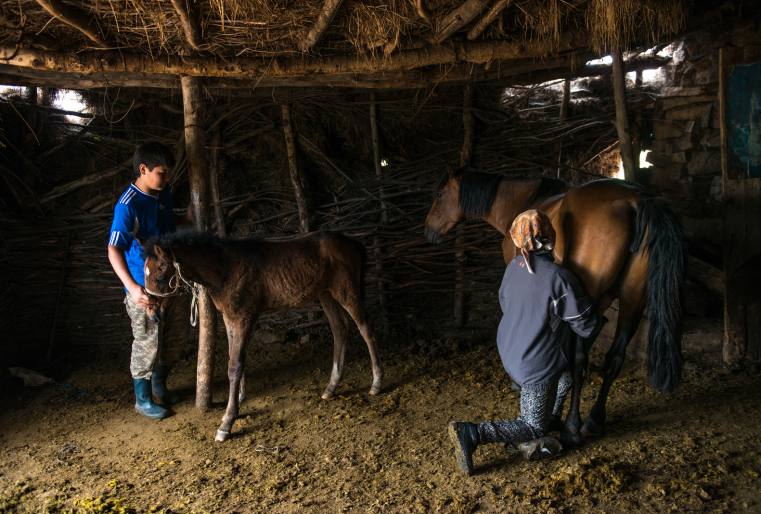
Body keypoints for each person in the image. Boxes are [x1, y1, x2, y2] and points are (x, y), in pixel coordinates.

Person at [448, 209, 602, 476]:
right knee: (532, 426)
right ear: (550, 237)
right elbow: (585, 327)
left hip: (508, 349)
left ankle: (550, 414)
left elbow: (506, 303)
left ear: (518, 239)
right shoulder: (559, 278)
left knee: (565, 378)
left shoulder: (512, 268)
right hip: (534, 364)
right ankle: (473, 433)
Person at [107, 142, 192, 420]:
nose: (167, 179)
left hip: (172, 281)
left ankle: (160, 386)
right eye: (161, 173)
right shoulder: (127, 206)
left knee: (176, 337)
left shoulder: (161, 191)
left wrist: (186, 217)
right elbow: (114, 249)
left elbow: (165, 223)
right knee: (147, 342)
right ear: (143, 169)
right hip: (146, 289)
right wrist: (132, 289)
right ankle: (142, 400)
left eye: (168, 173)